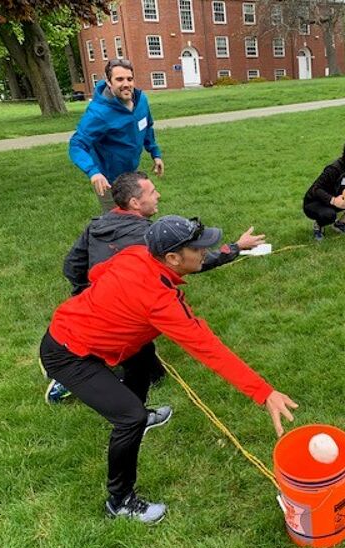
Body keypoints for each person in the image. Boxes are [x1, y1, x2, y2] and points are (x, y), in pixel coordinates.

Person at [39, 215, 298, 523]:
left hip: (84, 333)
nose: (204, 252)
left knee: (142, 354)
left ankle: (140, 412)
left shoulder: (137, 252)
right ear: (173, 258)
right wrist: (264, 392)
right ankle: (120, 501)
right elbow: (208, 349)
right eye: (198, 249)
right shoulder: (160, 302)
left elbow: (97, 272)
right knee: (129, 420)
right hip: (68, 354)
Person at [44, 171, 266, 403]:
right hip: (111, 314)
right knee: (118, 362)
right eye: (152, 192)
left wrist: (86, 290)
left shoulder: (99, 223)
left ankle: (134, 392)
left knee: (146, 364)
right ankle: (76, 380)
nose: (158, 195)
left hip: (96, 302)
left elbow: (72, 265)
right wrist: (236, 247)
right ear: (135, 203)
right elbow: (197, 262)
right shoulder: (146, 241)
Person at [69, 59, 164, 212]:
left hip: (131, 174)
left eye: (129, 79)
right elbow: (77, 144)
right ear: (108, 82)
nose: (126, 84)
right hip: (108, 179)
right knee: (115, 222)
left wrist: (155, 153)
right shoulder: (99, 113)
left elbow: (147, 127)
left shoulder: (141, 101)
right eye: (119, 79)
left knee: (137, 215)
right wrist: (93, 173)